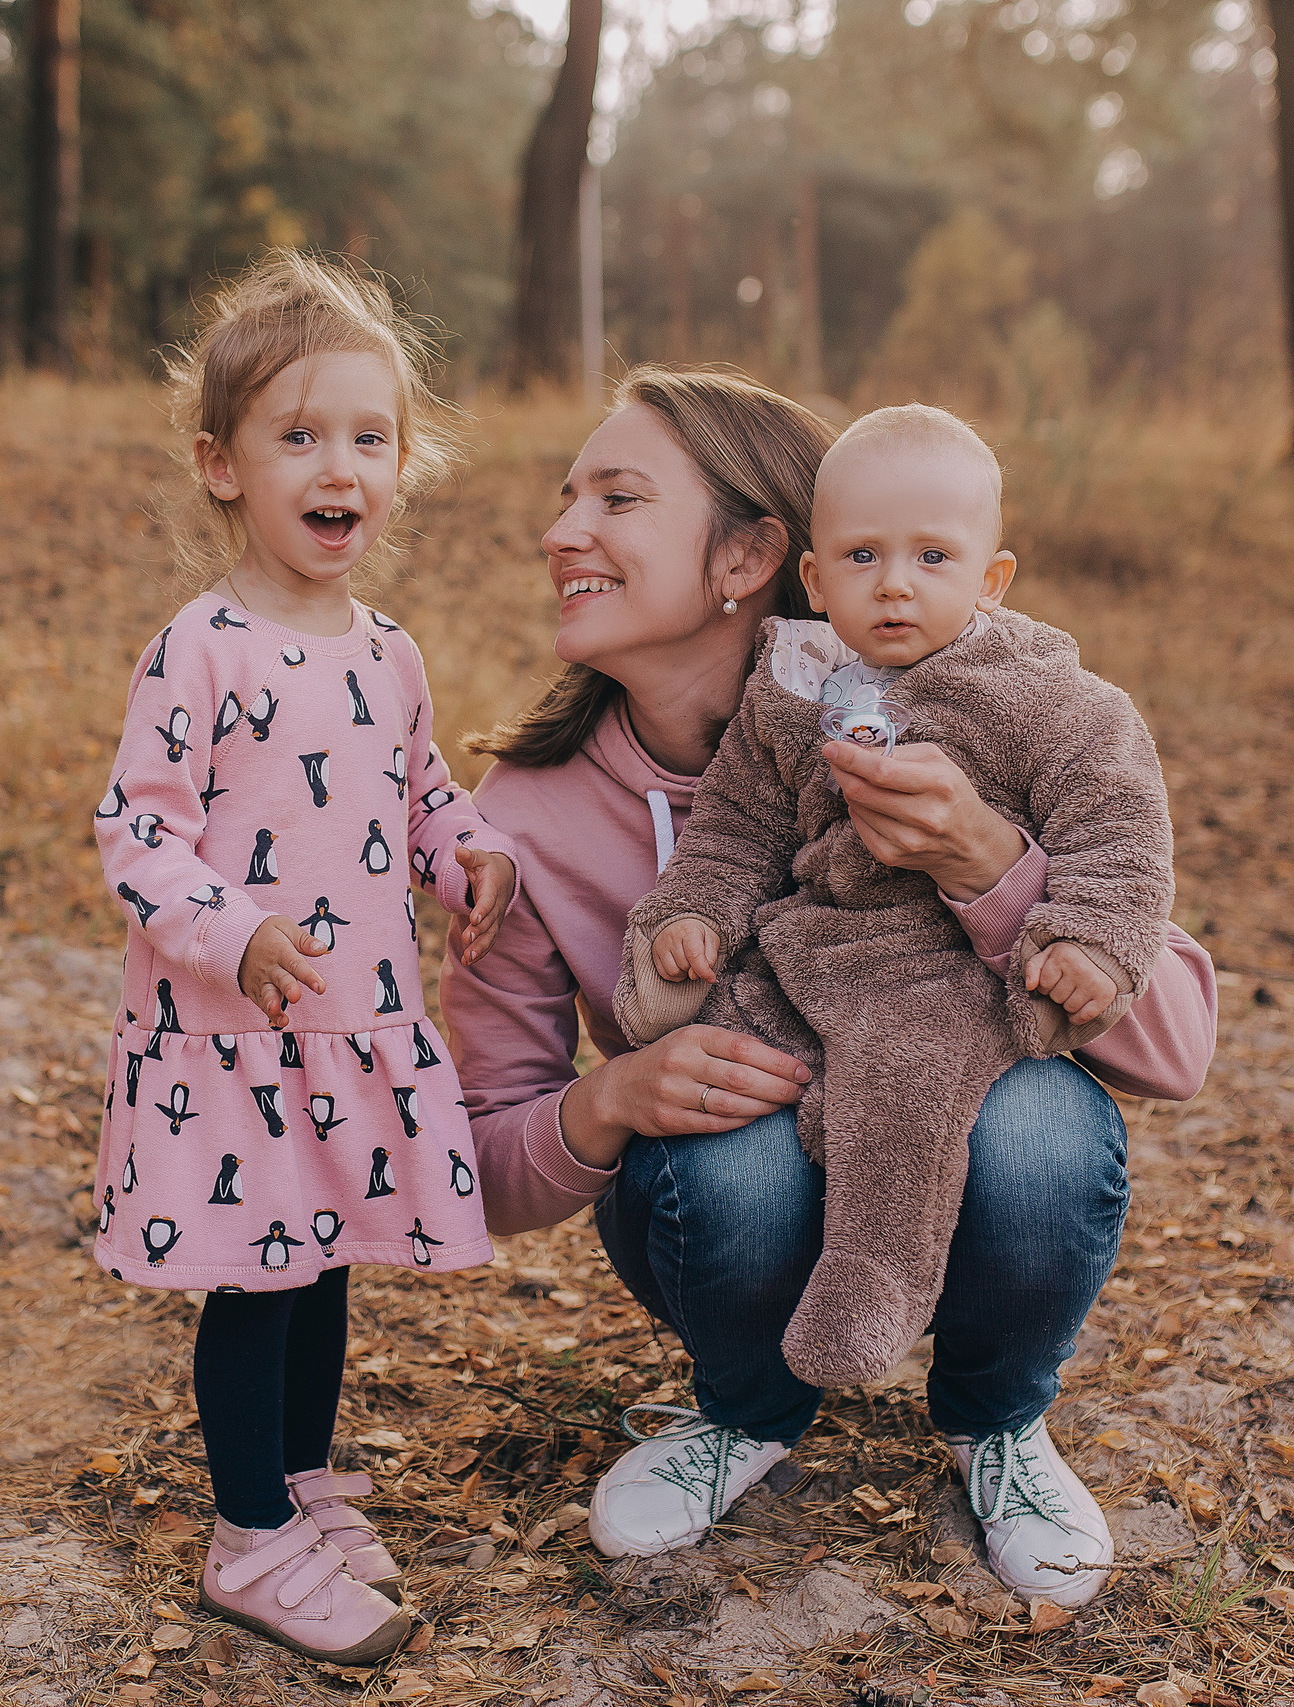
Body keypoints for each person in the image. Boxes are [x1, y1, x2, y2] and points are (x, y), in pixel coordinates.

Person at [443, 367, 1216, 1610]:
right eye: (566, 495)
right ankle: (745, 1412)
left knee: (1040, 1128)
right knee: (726, 1162)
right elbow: (473, 1167)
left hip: (944, 1111)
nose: (561, 532)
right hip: (728, 1171)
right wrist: (615, 1098)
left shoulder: (977, 709)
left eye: (617, 498)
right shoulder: (523, 823)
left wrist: (986, 868)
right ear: (815, 572)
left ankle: (997, 1424)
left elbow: (1173, 1049)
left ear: (749, 554)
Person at [91, 251, 520, 1664]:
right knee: (260, 1270)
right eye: (299, 435)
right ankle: (246, 1529)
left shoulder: (387, 651)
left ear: (402, 463)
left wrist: (465, 850)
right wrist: (237, 929)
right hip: (237, 1029)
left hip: (357, 1018)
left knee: (328, 1249)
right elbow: (138, 833)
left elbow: (416, 787)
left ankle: (305, 1477)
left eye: (369, 436)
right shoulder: (200, 649)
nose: (340, 465)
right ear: (224, 465)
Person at [614, 402, 1176, 1400]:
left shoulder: (1052, 703)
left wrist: (1087, 943)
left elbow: (1119, 842)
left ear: (990, 579)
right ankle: (745, 1397)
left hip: (943, 982)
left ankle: (874, 1293)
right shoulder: (790, 688)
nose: (896, 586)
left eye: (932, 557)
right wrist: (689, 916)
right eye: (863, 557)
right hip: (805, 961)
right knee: (718, 1083)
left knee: (900, 1100)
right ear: (818, 578)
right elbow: (735, 829)